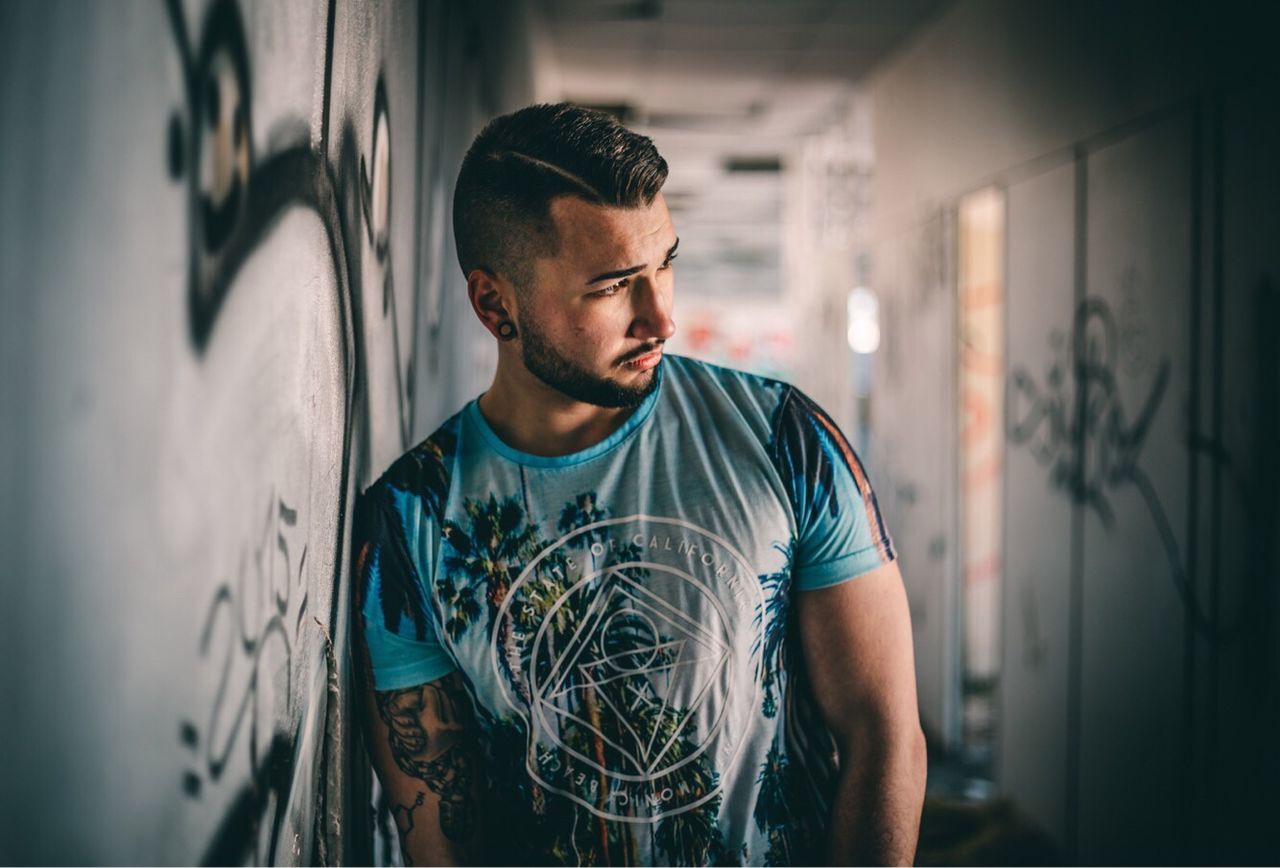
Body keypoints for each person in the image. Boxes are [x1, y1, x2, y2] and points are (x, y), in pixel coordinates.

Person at [352, 103, 926, 867]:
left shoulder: (785, 441)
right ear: (496, 306)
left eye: (665, 265)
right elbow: (443, 830)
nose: (661, 317)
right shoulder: (411, 524)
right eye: (616, 285)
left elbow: (883, 736)